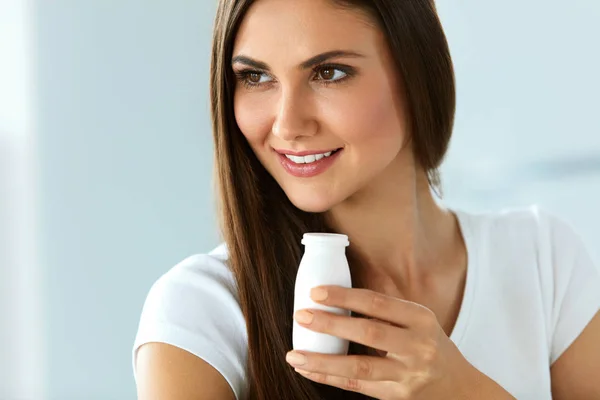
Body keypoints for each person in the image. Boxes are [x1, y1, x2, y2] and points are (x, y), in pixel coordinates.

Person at [132, 0, 600, 399]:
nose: (287, 124)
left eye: (329, 72)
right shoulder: (202, 311)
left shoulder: (542, 260)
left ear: (416, 71)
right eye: (256, 77)